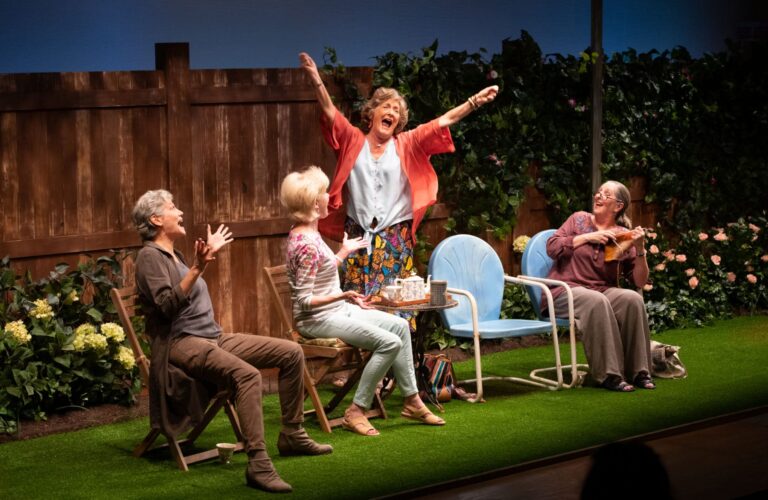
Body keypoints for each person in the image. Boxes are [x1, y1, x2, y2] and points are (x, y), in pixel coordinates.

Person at [132, 189, 331, 493]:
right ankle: (259, 464)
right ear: (156, 219)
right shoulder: (148, 258)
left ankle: (292, 433)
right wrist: (199, 267)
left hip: (213, 337)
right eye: (173, 207)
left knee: (291, 352)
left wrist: (200, 263)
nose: (180, 212)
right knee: (247, 375)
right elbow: (167, 306)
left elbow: (185, 291)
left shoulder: (175, 254)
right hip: (181, 342)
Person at [299, 52, 499, 302]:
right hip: (357, 236)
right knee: (355, 301)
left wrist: (475, 101)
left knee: (395, 304)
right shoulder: (352, 139)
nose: (392, 112)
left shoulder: (408, 142)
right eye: (387, 106)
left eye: (397, 110)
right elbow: (329, 111)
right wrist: (316, 78)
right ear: (372, 113)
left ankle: (399, 342)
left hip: (395, 237)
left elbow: (444, 120)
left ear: (398, 122)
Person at [280, 166, 445, 436]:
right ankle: (356, 410)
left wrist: (343, 252)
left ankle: (412, 401)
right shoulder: (306, 243)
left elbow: (321, 271)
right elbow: (305, 300)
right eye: (323, 193)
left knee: (400, 327)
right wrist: (344, 294)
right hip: (317, 319)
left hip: (336, 310)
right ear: (313, 202)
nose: (329, 198)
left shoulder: (308, 232)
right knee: (389, 342)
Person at [545, 180, 655, 392]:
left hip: (602, 289)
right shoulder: (578, 220)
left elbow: (639, 281)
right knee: (596, 301)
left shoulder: (622, 235)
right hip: (565, 289)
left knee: (633, 299)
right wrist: (587, 237)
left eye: (606, 195)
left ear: (618, 206)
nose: (598, 197)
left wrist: (640, 249)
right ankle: (610, 375)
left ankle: (639, 372)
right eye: (598, 193)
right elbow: (552, 247)